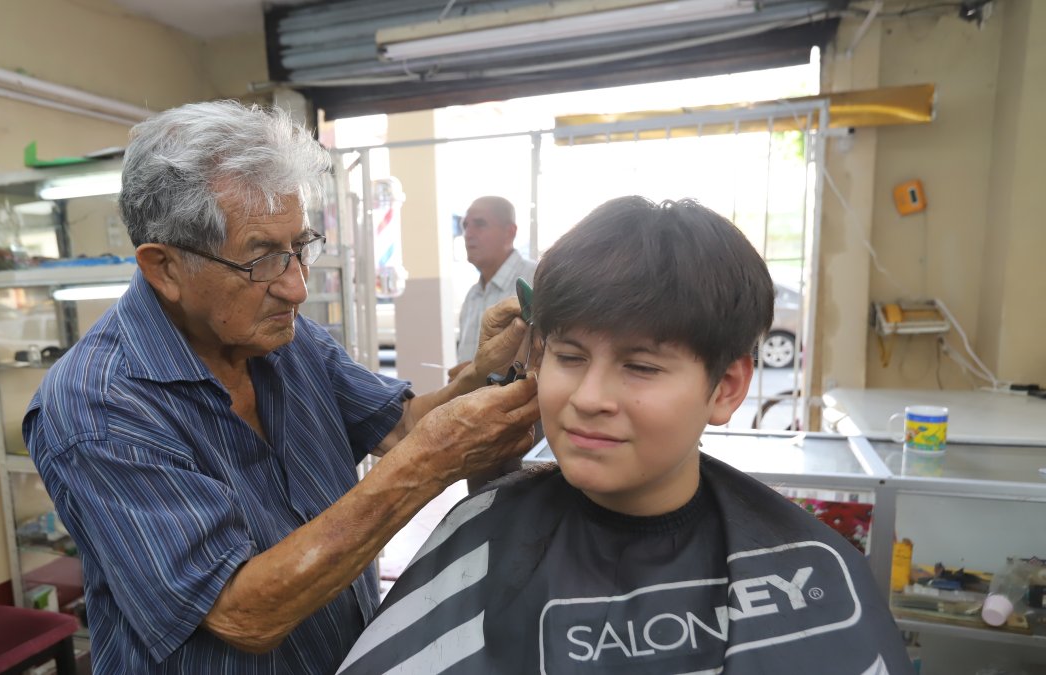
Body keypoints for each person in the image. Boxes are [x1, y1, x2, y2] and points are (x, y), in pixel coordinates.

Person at [22, 101, 539, 674]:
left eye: (299, 247)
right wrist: (426, 468)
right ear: (164, 268)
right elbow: (244, 614)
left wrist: (481, 371)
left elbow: (402, 427)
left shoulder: (287, 341)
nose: (295, 287)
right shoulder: (99, 410)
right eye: (262, 259)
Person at [338, 197, 914, 675]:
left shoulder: (813, 573)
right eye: (568, 355)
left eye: (640, 366)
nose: (588, 397)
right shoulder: (481, 536)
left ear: (726, 388)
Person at [452, 196, 538, 369]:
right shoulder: (472, 296)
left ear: (510, 232)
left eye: (479, 224)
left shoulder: (537, 280)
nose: (467, 234)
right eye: (465, 225)